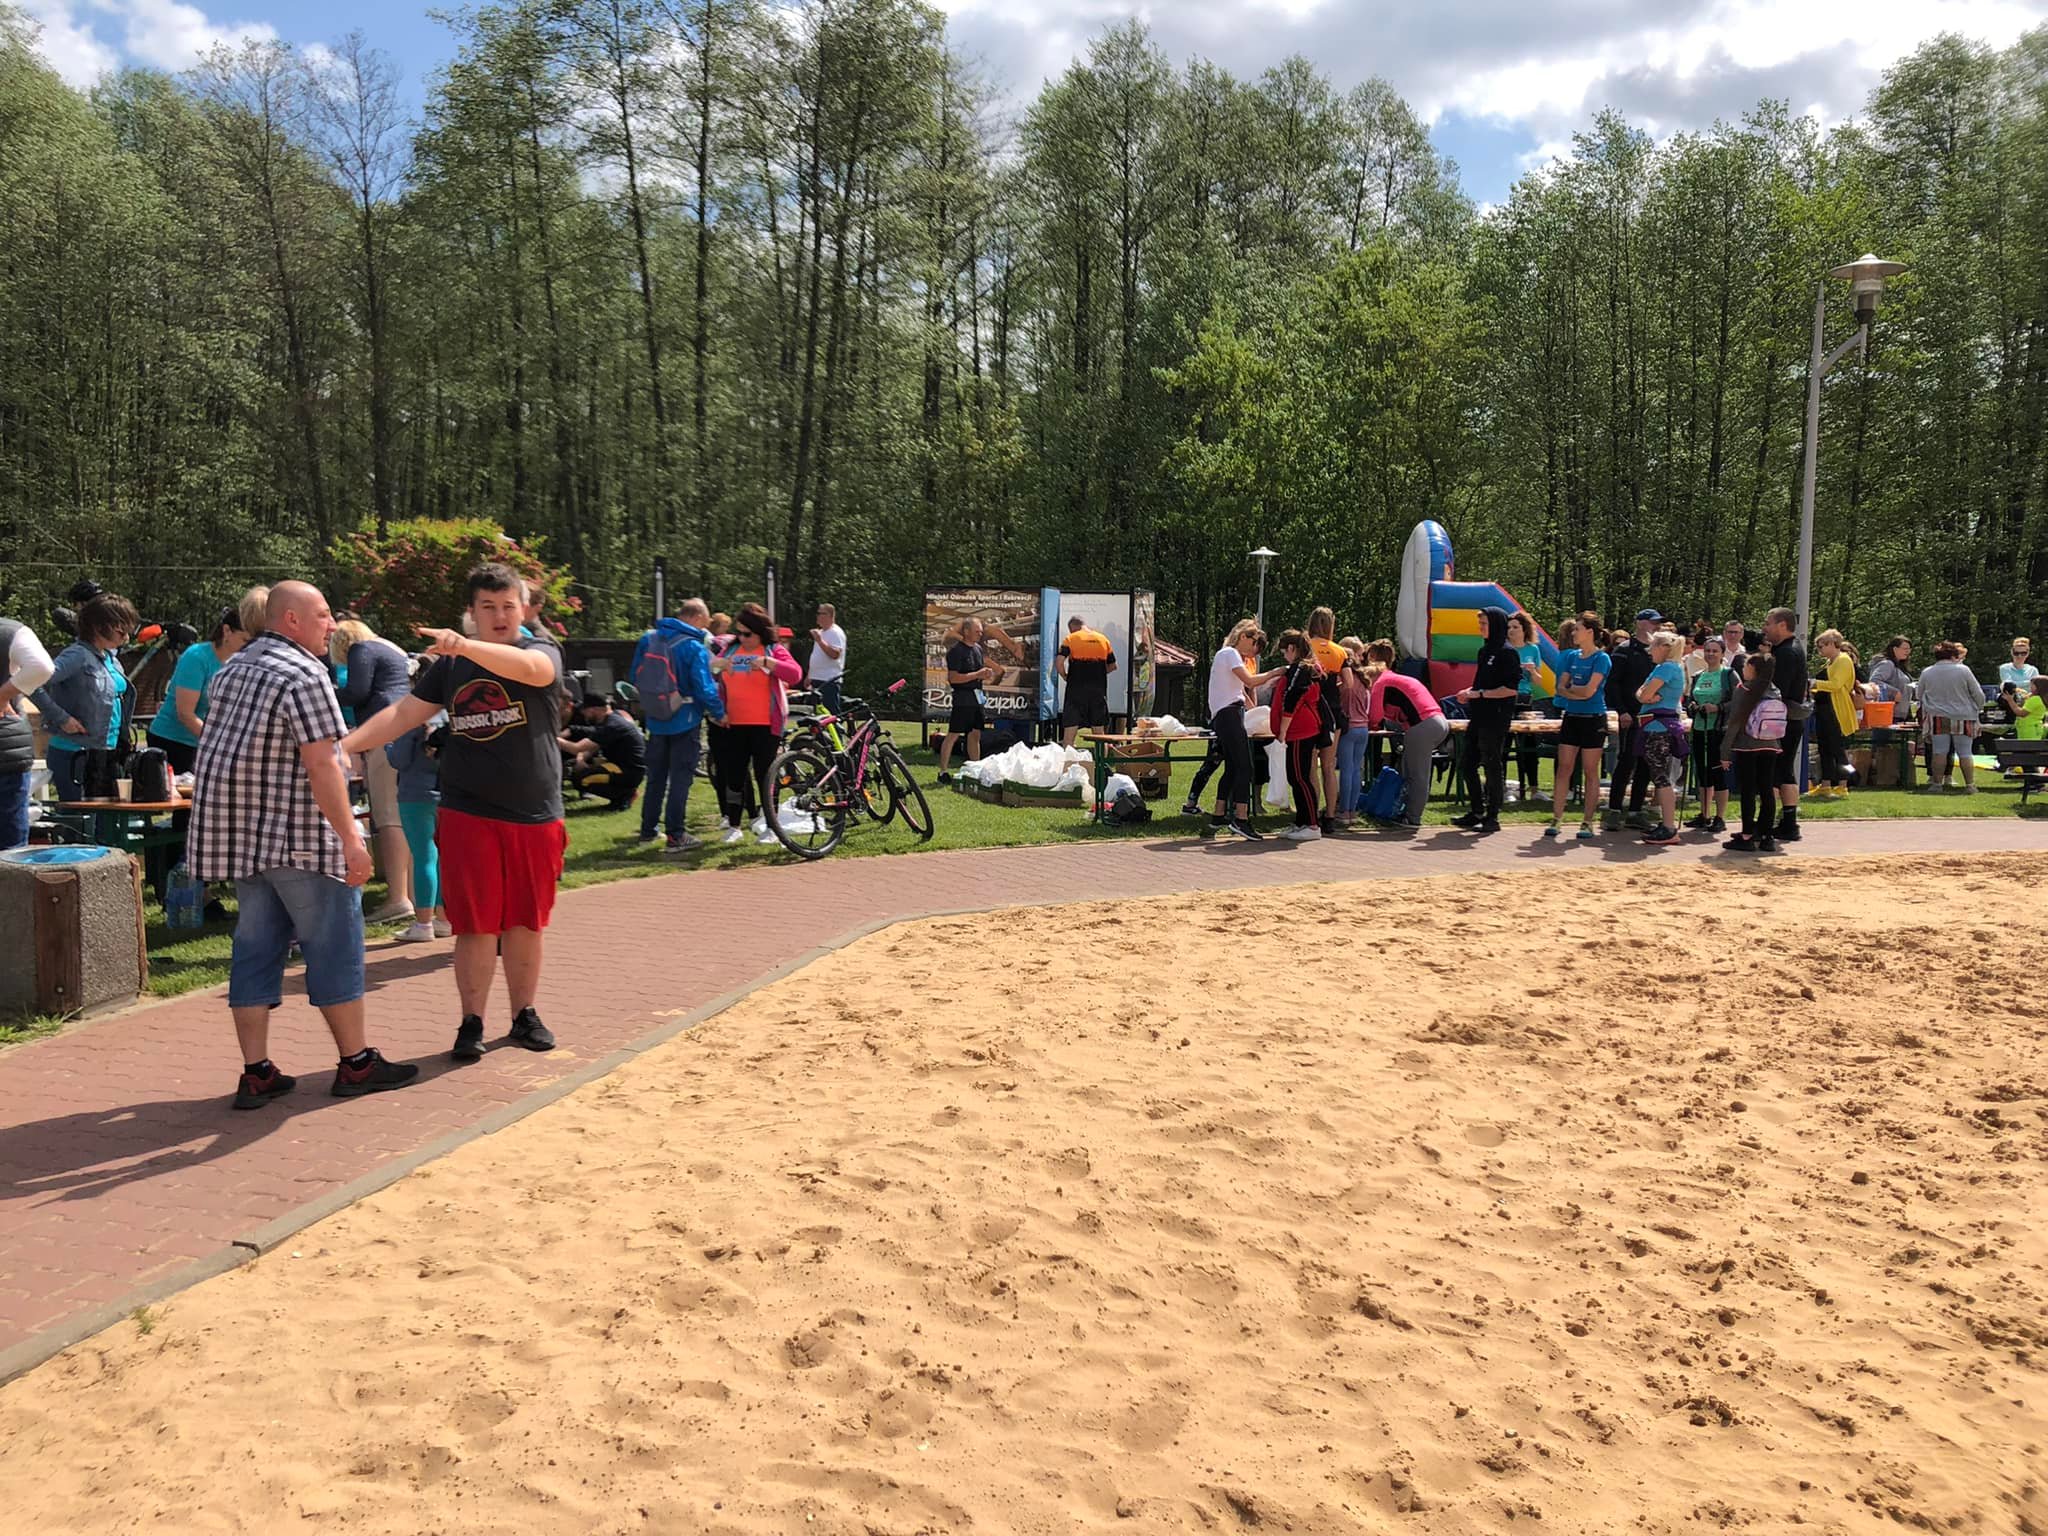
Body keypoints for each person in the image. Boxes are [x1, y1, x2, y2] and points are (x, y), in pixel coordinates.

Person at [187, 582, 419, 1108]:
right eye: (322, 614)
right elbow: (323, 764)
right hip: (300, 839)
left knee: (254, 952)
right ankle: (356, 1063)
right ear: (291, 619)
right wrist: (351, 840)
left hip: (241, 841)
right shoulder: (305, 673)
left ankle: (256, 1071)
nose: (331, 625)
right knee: (334, 947)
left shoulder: (232, 669)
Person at [342, 563, 571, 1063]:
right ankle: (472, 1023)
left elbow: (535, 672)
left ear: (523, 609)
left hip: (534, 812)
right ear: (472, 611)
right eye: (488, 607)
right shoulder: (451, 667)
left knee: (525, 922)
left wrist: (465, 646)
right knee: (475, 924)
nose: (499, 615)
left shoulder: (540, 649)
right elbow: (403, 714)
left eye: (508, 606)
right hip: (468, 811)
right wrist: (346, 746)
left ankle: (524, 1015)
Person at [331, 618, 416, 924]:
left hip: (385, 734)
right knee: (408, 816)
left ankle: (397, 899)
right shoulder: (392, 649)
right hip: (408, 731)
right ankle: (417, 894)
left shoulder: (361, 649)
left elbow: (357, 691)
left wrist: (323, 692)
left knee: (388, 817)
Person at [632, 598, 724, 854]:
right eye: (705, 621)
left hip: (655, 719)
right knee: (681, 779)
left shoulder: (649, 639)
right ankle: (676, 835)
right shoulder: (693, 646)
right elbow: (703, 687)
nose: (706, 626)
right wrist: (719, 712)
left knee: (656, 778)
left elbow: (634, 676)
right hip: (685, 718)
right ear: (697, 617)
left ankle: (648, 830)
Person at [32, 592, 139, 805]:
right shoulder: (77, 655)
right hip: (75, 753)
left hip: (107, 754)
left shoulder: (111, 659)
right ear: (99, 627)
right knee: (82, 817)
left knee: (106, 818)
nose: (126, 638)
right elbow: (33, 683)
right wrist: (62, 718)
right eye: (121, 631)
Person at [712, 603, 801, 843]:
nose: (742, 638)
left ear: (760, 632)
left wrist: (768, 663)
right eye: (739, 633)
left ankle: (772, 827)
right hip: (734, 724)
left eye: (747, 634)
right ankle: (734, 826)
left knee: (765, 776)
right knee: (734, 776)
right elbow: (708, 668)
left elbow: (795, 674)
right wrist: (718, 665)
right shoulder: (730, 650)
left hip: (766, 725)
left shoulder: (773, 649)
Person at [145, 608, 248, 774]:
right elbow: (185, 714)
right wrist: (219, 742)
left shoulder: (239, 663)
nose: (249, 647)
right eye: (245, 640)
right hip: (172, 742)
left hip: (205, 743)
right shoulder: (197, 656)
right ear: (227, 631)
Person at [1203, 619, 1276, 841]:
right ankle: (1241, 819)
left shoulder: (1225, 655)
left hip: (1226, 714)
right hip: (1229, 714)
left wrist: (1254, 710)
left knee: (1233, 767)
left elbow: (1239, 690)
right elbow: (1250, 682)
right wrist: (1276, 672)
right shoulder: (1231, 653)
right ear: (1244, 637)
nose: (1254, 653)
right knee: (1245, 767)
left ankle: (1218, 815)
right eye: (1254, 645)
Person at [384, 701, 448, 944]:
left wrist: (388, 745)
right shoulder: (448, 718)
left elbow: (398, 759)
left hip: (414, 796)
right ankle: (444, 918)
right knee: (442, 859)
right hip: (445, 794)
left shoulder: (411, 722)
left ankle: (423, 923)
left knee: (423, 858)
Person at [1454, 607, 1520, 835]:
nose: (1481, 628)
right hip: (1479, 714)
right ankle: (1476, 810)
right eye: (1480, 623)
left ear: (1496, 625)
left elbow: (1511, 689)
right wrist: (1469, 692)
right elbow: (1481, 683)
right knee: (1467, 763)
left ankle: (1493, 816)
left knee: (1492, 763)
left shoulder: (1507, 653)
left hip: (1496, 717)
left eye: (1484, 624)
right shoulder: (1484, 651)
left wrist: (1479, 694)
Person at [1366, 663, 1449, 832]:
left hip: (1421, 726)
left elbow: (1375, 716)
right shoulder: (1398, 679)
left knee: (1417, 775)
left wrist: (1369, 724)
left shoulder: (1380, 683)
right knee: (1409, 770)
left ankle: (1412, 817)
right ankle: (1402, 810)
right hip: (1438, 721)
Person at [1546, 620, 1610, 841]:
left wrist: (1572, 690)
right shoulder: (1571, 656)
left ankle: (1587, 821)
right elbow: (1560, 687)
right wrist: (1573, 691)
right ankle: (1556, 818)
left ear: (1590, 632)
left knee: (1591, 771)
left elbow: (1589, 692)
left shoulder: (1601, 658)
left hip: (1593, 718)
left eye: (1578, 629)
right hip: (1571, 717)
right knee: (1564, 768)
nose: (1573, 633)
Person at [1719, 650, 1785, 853]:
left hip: (1746, 744)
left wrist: (1725, 752)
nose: (1743, 669)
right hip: (1770, 743)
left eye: (1745, 666)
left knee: (1748, 790)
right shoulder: (1774, 690)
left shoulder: (1744, 689)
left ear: (1752, 669)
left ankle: (1747, 834)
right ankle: (1766, 836)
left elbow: (1735, 722)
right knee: (1767, 790)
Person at [0, 616, 56, 850]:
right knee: (10, 853)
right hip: (7, 751)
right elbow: (41, 667)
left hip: (7, 751)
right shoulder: (9, 630)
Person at [1603, 608, 1660, 830]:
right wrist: (1622, 711)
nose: (1655, 626)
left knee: (1646, 764)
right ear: (1639, 623)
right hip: (1630, 715)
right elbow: (1612, 683)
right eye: (1652, 622)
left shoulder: (1659, 651)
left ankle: (1636, 811)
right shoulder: (1624, 649)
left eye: (1657, 622)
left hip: (1652, 716)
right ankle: (1614, 810)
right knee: (1626, 762)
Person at [1635, 629, 1689, 845]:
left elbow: (1644, 694)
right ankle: (1667, 824)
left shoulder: (1667, 668)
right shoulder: (1665, 668)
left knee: (1660, 776)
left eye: (1653, 646)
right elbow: (1640, 694)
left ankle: (1669, 826)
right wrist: (1644, 696)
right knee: (1659, 775)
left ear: (1664, 648)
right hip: (1654, 726)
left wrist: (1645, 696)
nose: (1650, 651)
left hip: (1659, 728)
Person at [1760, 608, 1810, 840]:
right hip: (1789, 718)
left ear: (1782, 625)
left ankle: (1767, 821)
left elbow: (1777, 689)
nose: (1765, 628)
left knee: (1771, 770)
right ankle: (1789, 823)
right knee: (1784, 770)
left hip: (1780, 719)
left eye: (1768, 623)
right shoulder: (1789, 649)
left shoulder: (1787, 653)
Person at [1271, 630, 1326, 840]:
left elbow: (1292, 699)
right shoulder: (1304, 668)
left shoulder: (1301, 669)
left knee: (1300, 778)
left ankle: (1312, 825)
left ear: (1292, 649)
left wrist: (1283, 731)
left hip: (1300, 730)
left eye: (1284, 652)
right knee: (1296, 777)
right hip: (1301, 729)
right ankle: (1302, 822)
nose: (1284, 656)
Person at [936, 617, 1001, 783]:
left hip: (977, 697)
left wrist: (985, 674)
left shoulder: (978, 649)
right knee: (953, 734)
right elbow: (954, 678)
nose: (980, 634)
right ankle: (943, 771)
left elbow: (977, 672)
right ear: (966, 631)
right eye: (976, 631)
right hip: (963, 698)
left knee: (975, 734)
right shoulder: (956, 652)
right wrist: (977, 674)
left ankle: (975, 769)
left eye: (981, 631)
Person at [1916, 640, 1986, 793]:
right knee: (1965, 752)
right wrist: (1979, 707)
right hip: (1964, 716)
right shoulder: (1964, 670)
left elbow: (1918, 694)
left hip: (1938, 716)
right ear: (1954, 655)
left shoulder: (1927, 672)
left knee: (1939, 751)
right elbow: (1978, 694)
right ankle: (1970, 785)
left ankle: (1936, 784)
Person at [561, 693, 646, 809]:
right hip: (622, 766)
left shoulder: (612, 725)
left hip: (628, 771)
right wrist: (580, 760)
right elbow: (593, 747)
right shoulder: (611, 720)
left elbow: (577, 748)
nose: (583, 714)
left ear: (595, 709)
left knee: (580, 778)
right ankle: (624, 792)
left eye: (585, 710)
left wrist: (551, 739)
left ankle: (625, 795)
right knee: (577, 768)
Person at [1684, 638, 1733, 834]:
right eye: (1708, 651)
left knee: (1717, 773)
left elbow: (1737, 701)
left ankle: (1720, 817)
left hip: (1718, 730)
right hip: (1699, 728)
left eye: (1715, 651)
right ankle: (1704, 814)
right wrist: (1693, 707)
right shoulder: (1698, 676)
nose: (1710, 654)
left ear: (1722, 654)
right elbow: (1690, 700)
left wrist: (1718, 708)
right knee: (1702, 773)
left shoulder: (1728, 675)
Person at [1305, 608, 1346, 834]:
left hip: (1312, 711)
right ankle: (1330, 815)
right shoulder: (1339, 651)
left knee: (1311, 767)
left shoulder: (1306, 647)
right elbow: (1349, 683)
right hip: (1334, 712)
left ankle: (1312, 815)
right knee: (1329, 767)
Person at [1809, 628, 1860, 802]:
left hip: (1836, 710)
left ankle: (1844, 784)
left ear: (1832, 644)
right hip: (1824, 709)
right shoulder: (1830, 662)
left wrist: (1815, 683)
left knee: (1837, 748)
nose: (1819, 650)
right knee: (1824, 748)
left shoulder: (1843, 660)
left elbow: (1837, 684)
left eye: (1822, 646)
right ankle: (1826, 785)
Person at [1507, 612, 1549, 803]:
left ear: (1525, 630)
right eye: (1509, 627)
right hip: (1506, 699)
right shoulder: (1504, 649)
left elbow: (1539, 681)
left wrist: (1532, 670)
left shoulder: (1533, 649)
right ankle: (1503, 788)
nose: (1511, 630)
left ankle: (1534, 788)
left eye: (1515, 627)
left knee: (1530, 746)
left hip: (1525, 699)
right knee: (1505, 744)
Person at [1056, 616, 1117, 748]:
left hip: (1075, 692)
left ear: (1072, 628)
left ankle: (1068, 759)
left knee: (1069, 735)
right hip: (1098, 692)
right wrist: (1099, 673)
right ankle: (1101, 760)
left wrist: (1065, 676)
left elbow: (1059, 663)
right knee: (1099, 735)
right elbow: (1113, 666)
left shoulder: (1070, 639)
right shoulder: (1103, 639)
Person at [1333, 643, 1374, 827]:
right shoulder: (1364, 681)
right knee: (1356, 770)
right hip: (1363, 728)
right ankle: (1352, 811)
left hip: (1348, 728)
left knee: (1346, 770)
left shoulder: (1343, 683)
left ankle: (1343, 810)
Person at [807, 603, 847, 716]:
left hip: (829, 680)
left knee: (830, 713)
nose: (818, 616)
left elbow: (835, 654)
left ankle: (836, 728)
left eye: (821, 613)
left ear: (830, 616)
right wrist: (809, 675)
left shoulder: (835, 632)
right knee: (818, 714)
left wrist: (820, 641)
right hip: (817, 679)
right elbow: (816, 655)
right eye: (818, 613)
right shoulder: (821, 632)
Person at [1869, 636, 1914, 721]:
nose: (1908, 651)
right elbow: (1874, 681)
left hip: (1899, 714)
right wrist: (1894, 692)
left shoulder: (1900, 666)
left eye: (1909, 649)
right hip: (1888, 714)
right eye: (1905, 649)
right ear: (1895, 649)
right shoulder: (1887, 664)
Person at [2018, 676, 2048, 741]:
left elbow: (2021, 713)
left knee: (2029, 746)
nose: (2030, 687)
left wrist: (2010, 700)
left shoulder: (2036, 699)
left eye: (2032, 685)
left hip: (2030, 730)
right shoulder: (2042, 698)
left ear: (2040, 687)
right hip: (2035, 728)